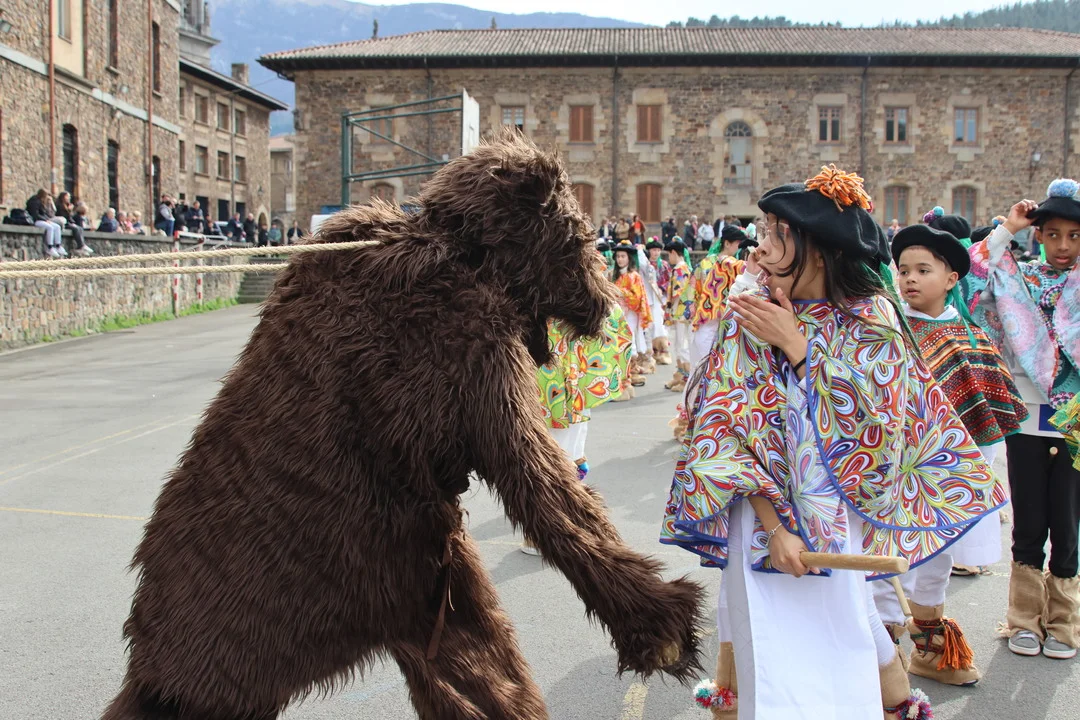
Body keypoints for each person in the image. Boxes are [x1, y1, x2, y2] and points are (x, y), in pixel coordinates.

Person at [666, 166, 1005, 720]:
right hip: (762, 524)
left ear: (818, 251)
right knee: (766, 652)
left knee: (843, 642)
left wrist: (799, 348)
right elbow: (725, 429)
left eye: (777, 234)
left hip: (839, 523)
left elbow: (883, 429)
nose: (761, 246)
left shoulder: (873, 317)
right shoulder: (750, 314)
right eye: (763, 231)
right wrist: (775, 528)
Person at [871, 222, 1026, 686]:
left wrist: (976, 467)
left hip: (946, 478)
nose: (910, 279)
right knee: (887, 558)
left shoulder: (971, 338)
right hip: (891, 472)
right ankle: (882, 653)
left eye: (923, 270)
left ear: (952, 278)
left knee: (936, 560)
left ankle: (930, 646)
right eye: (903, 270)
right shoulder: (887, 331)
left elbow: (988, 413)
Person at [974, 180, 1080, 661]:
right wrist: (1007, 229)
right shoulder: (1020, 279)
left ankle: (1063, 621)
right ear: (1039, 236)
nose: (1063, 245)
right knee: (1029, 521)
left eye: (1074, 236)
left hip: (1074, 421)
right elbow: (970, 281)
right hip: (1026, 418)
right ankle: (1023, 619)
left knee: (1068, 522)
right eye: (1052, 234)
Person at [524, 309, 632, 554]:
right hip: (550, 363)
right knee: (552, 449)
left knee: (568, 446)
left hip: (569, 364)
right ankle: (545, 528)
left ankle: (561, 519)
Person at [610, 242, 652, 394]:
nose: (620, 259)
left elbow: (636, 298)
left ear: (629, 258)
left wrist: (620, 292)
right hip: (618, 313)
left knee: (629, 340)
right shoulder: (615, 276)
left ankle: (632, 371)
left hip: (630, 313)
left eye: (623, 256)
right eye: (618, 256)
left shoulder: (634, 276)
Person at [663, 239, 694, 393]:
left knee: (681, 344)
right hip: (682, 312)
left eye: (669, 254)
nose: (669, 258)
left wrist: (668, 306)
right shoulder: (685, 268)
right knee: (679, 344)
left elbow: (677, 293)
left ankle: (686, 378)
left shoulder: (679, 269)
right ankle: (681, 375)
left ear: (674, 253)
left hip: (680, 312)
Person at [643, 239, 671, 366]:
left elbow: (669, 281)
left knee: (660, 324)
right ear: (649, 251)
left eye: (658, 250)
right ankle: (652, 351)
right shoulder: (645, 265)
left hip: (660, 297)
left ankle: (663, 351)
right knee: (650, 324)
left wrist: (662, 288)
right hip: (648, 297)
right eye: (654, 250)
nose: (656, 253)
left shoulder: (664, 265)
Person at [27, 189, 66, 258]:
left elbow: (44, 213)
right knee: (50, 227)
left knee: (57, 227)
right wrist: (45, 220)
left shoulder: (41, 202)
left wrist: (47, 219)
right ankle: (49, 247)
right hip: (35, 221)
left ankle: (58, 246)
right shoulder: (34, 202)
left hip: (42, 220)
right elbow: (35, 215)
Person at [54, 191, 93, 256]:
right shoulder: (59, 205)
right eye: (67, 196)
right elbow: (63, 216)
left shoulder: (67, 205)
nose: (69, 198)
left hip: (68, 222)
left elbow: (70, 217)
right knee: (76, 228)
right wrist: (69, 211)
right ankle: (81, 246)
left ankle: (81, 245)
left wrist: (72, 221)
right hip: (63, 223)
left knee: (79, 228)